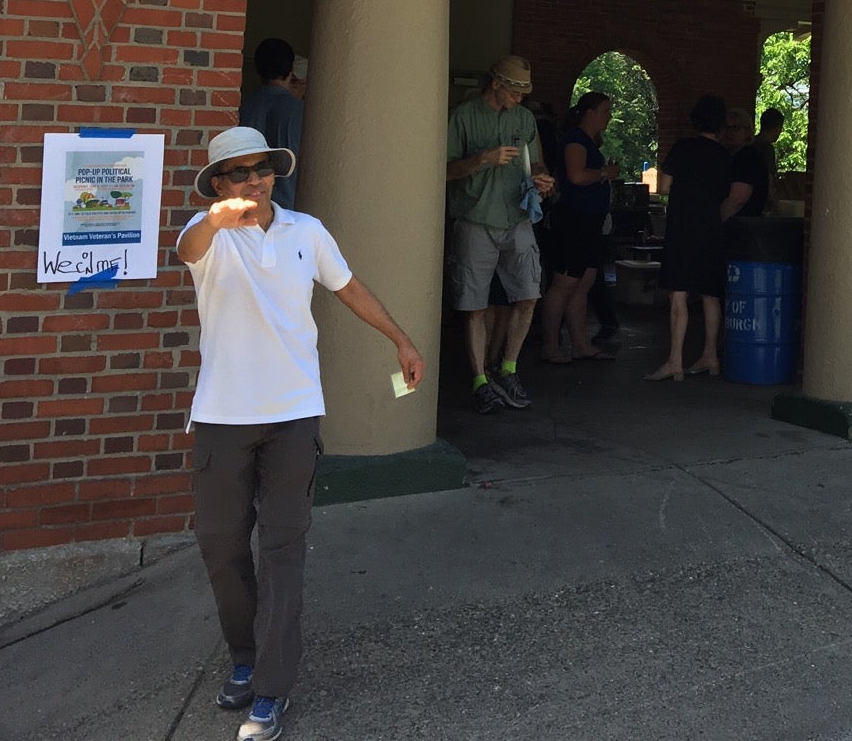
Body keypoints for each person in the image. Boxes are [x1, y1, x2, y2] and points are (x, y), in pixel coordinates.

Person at [179, 126, 424, 741]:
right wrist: (217, 217)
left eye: (262, 169)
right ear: (218, 183)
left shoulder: (305, 231)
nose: (255, 181)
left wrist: (399, 338)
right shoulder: (208, 235)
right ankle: (243, 655)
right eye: (239, 172)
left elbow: (347, 287)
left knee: (284, 551)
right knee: (221, 546)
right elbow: (188, 246)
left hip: (293, 414)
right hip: (221, 417)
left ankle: (271, 687)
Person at [446, 57, 555, 413]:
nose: (521, 99)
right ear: (496, 83)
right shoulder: (463, 116)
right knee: (474, 305)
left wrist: (542, 178)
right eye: (515, 91)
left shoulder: (524, 120)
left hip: (518, 217)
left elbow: (536, 163)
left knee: (528, 295)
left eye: (525, 93)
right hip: (476, 218)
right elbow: (442, 170)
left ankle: (508, 368)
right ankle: (480, 381)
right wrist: (481, 159)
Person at [648, 94, 750, 381]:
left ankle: (675, 361)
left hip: (682, 226)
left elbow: (664, 186)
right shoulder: (724, 155)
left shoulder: (683, 147)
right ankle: (710, 356)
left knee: (678, 293)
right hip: (712, 226)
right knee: (710, 293)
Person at [540, 91, 618, 364]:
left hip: (591, 222)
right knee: (563, 283)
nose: (609, 116)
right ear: (590, 112)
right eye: (606, 110)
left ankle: (580, 344)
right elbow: (575, 175)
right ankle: (550, 346)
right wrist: (605, 173)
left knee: (583, 283)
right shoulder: (575, 140)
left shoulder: (590, 142)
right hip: (575, 220)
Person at [239, 38, 303, 208]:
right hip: (290, 205)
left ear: (258, 69)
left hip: (247, 202)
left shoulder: (242, 105)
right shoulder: (302, 110)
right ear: (291, 69)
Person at [725, 108, 771, 220]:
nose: (729, 132)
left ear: (747, 131)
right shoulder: (732, 157)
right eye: (726, 128)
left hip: (744, 226)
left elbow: (737, 200)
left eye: (735, 128)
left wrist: (716, 221)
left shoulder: (748, 159)